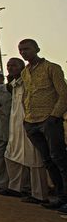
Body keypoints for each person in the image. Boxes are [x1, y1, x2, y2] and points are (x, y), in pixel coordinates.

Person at [17, 39, 67, 212]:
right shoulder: (25, 72)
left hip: (49, 120)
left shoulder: (52, 68)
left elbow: (63, 94)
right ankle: (61, 198)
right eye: (21, 50)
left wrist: (55, 115)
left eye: (27, 49)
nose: (23, 52)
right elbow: (26, 96)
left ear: (37, 49)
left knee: (60, 159)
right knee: (48, 161)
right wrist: (26, 118)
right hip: (31, 122)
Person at [0, 57, 50, 204]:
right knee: (11, 155)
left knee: (34, 158)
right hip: (15, 125)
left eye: (14, 65)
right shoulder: (14, 84)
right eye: (8, 66)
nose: (10, 68)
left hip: (29, 123)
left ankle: (40, 195)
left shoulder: (28, 81)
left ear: (22, 67)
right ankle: (16, 188)